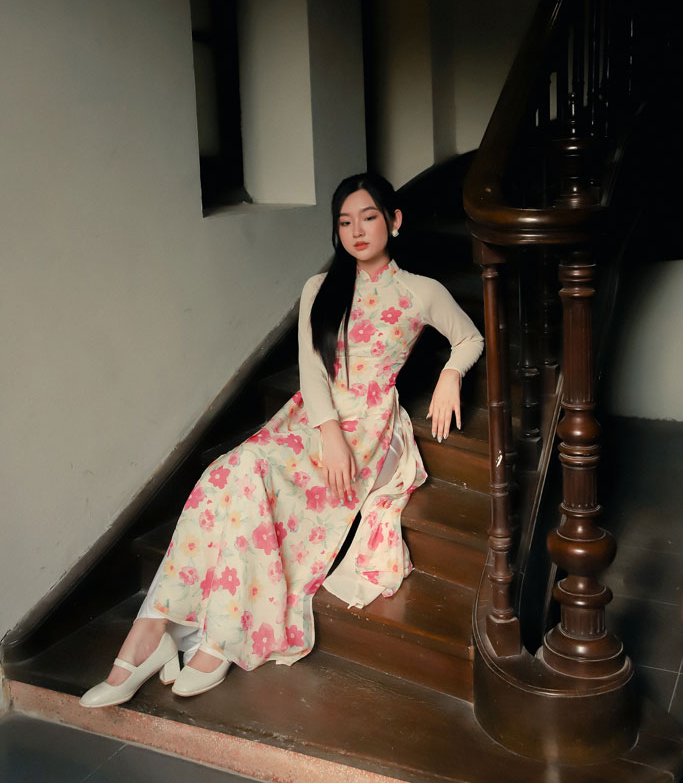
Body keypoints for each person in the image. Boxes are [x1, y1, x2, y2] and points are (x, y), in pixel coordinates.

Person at [80, 172, 483, 707]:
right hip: (313, 421)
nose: (357, 230)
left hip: (370, 433)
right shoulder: (321, 288)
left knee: (255, 480)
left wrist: (451, 373)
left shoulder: (421, 291)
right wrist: (328, 433)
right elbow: (312, 370)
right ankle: (149, 632)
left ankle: (220, 638)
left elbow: (470, 337)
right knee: (227, 471)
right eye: (345, 221)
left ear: (395, 221)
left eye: (369, 217)